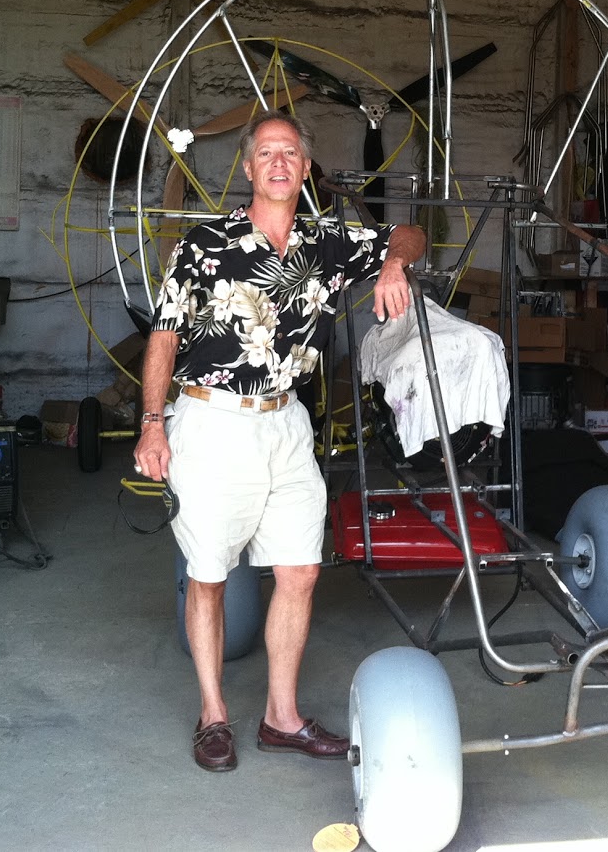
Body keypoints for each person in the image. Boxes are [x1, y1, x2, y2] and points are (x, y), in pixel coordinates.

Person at [133, 109, 426, 772]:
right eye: (265, 151)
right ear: (247, 166)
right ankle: (214, 716)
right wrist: (152, 423)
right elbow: (164, 336)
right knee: (209, 577)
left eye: (289, 152)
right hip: (211, 419)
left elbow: (411, 231)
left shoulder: (328, 241)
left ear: (304, 167)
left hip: (286, 420)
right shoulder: (203, 244)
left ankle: (280, 717)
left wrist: (391, 267)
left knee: (300, 568)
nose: (277, 161)